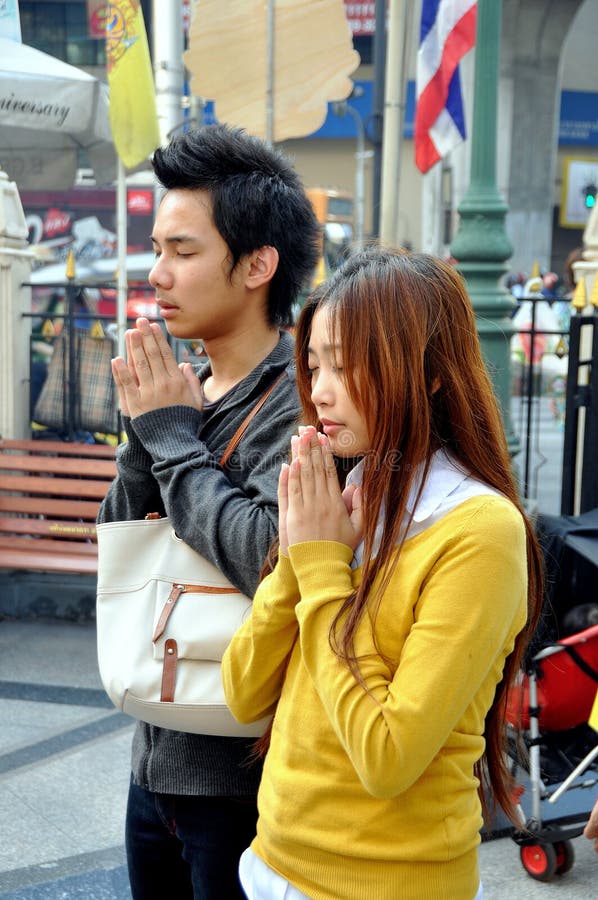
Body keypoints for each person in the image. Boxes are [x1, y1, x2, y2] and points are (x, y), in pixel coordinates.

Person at [222, 247, 544, 900]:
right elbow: (243, 693)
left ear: (427, 373)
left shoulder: (479, 530)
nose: (320, 390)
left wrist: (318, 569)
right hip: (271, 865)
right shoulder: (346, 496)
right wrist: (297, 557)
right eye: (314, 364)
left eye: (346, 363)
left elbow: (387, 755)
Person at [97, 123, 320, 899]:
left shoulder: (303, 399)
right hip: (154, 749)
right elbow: (122, 545)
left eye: (184, 252)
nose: (158, 274)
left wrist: (170, 438)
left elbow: (271, 557)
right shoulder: (187, 385)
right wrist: (145, 435)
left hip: (242, 776)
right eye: (157, 249)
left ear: (260, 264)